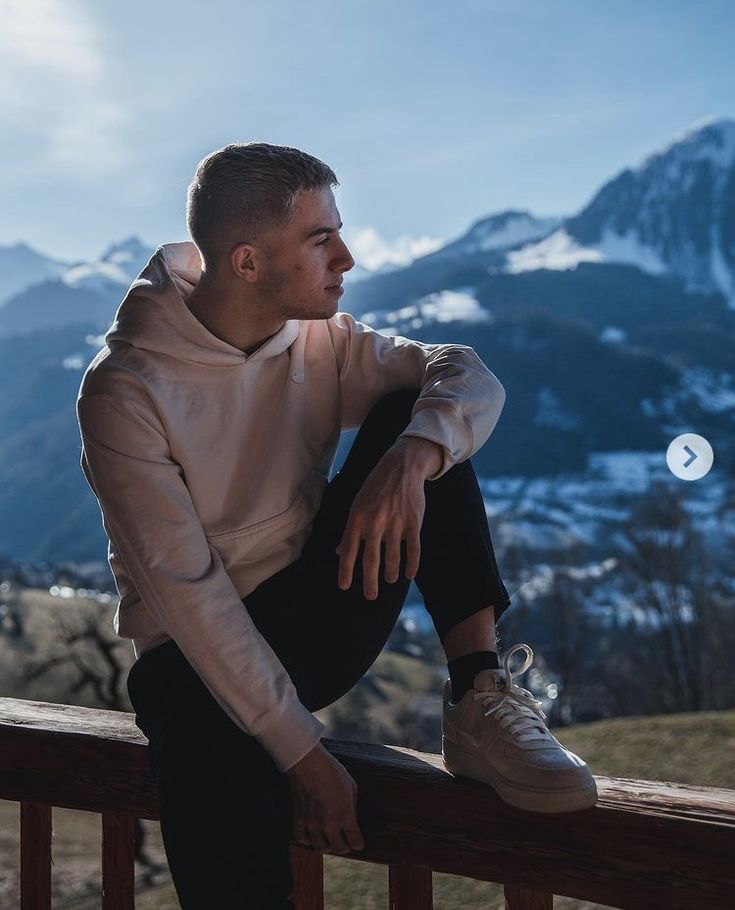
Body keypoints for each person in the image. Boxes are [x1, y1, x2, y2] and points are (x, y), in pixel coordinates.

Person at [76, 142, 597, 909]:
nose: (346, 258)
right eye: (321, 240)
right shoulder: (125, 391)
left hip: (316, 616)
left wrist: (412, 456)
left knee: (413, 418)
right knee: (212, 747)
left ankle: (480, 696)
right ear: (247, 262)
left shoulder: (320, 341)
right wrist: (305, 757)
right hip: (194, 660)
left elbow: (466, 373)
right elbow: (191, 597)